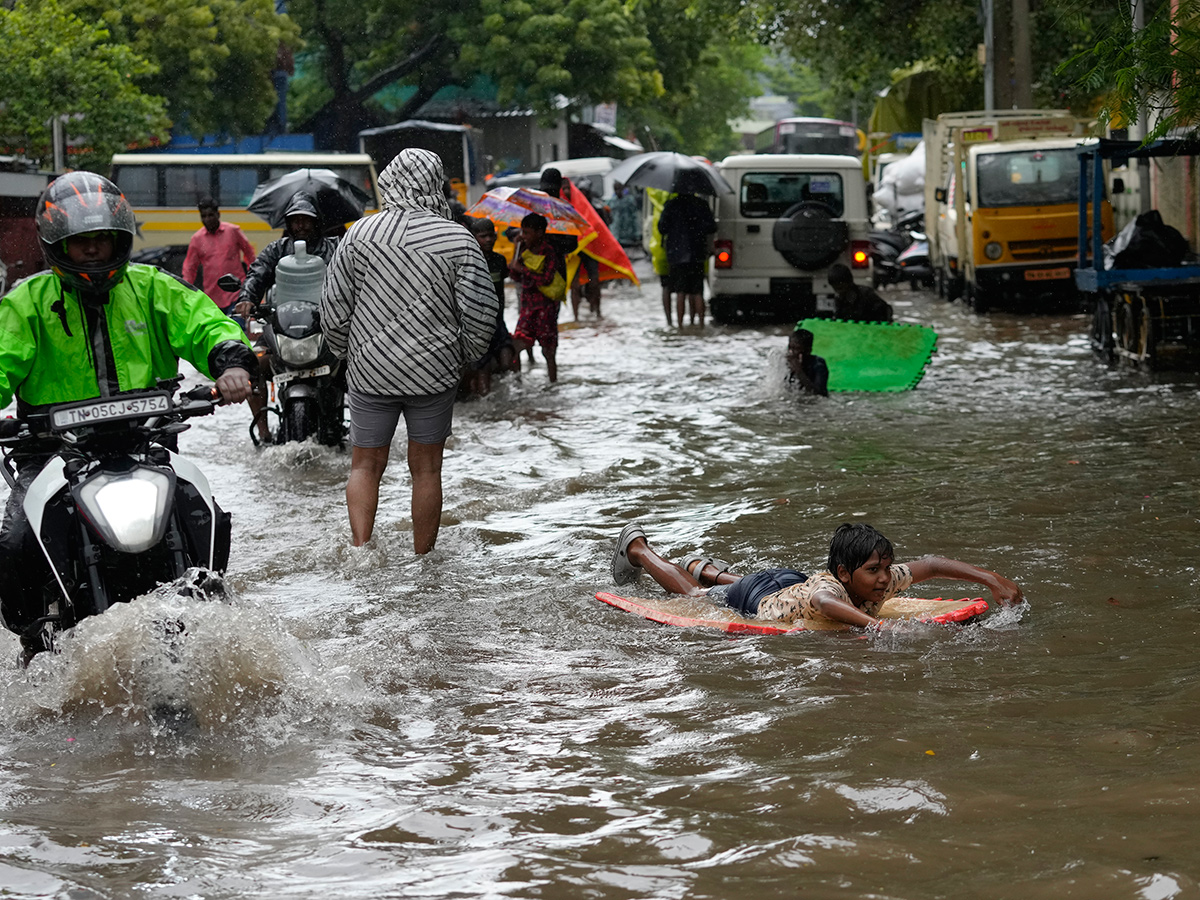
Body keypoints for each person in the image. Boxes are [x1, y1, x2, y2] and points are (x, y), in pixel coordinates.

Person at [0, 172, 257, 662]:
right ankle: (36, 639)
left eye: (101, 240)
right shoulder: (25, 304)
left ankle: (209, 603)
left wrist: (231, 361)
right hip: (51, 452)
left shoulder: (154, 288)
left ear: (119, 238)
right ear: (58, 246)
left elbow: (206, 324)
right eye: (80, 243)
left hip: (145, 442)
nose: (93, 251)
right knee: (14, 543)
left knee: (203, 509)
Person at [319, 148, 498, 553]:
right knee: (427, 469)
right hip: (433, 374)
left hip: (370, 371)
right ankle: (422, 558)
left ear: (390, 182)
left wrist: (349, 352)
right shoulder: (457, 239)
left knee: (365, 465)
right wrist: (463, 357)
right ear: (435, 182)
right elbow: (481, 311)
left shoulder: (360, 235)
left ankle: (361, 550)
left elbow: (333, 308)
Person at [609, 522, 1024, 629]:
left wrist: (992, 580)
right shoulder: (830, 588)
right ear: (845, 572)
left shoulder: (879, 577)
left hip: (790, 582)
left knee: (743, 580)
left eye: (884, 570)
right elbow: (826, 603)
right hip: (760, 598)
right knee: (694, 599)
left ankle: (708, 569)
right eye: (873, 571)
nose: (883, 580)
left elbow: (932, 563)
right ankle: (639, 548)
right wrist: (876, 628)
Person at [233, 191, 340, 443]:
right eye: (295, 220)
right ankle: (263, 431)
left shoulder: (335, 248)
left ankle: (362, 433)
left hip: (326, 328)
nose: (300, 225)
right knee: (251, 364)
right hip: (282, 329)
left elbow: (351, 278)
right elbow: (257, 274)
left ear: (317, 222)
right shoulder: (276, 250)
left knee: (357, 365)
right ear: (288, 223)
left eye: (306, 219)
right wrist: (247, 298)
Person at [461, 216, 516, 397]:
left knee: (508, 360)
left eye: (491, 236)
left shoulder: (499, 261)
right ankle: (485, 404)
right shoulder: (470, 263)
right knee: (482, 368)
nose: (488, 240)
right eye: (483, 236)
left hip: (498, 322)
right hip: (478, 324)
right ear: (474, 237)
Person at [508, 212, 565, 384]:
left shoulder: (548, 251)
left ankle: (552, 384)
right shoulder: (523, 250)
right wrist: (515, 252)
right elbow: (514, 275)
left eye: (527, 233)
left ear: (540, 233)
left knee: (548, 350)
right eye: (522, 232)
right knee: (517, 346)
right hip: (527, 307)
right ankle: (518, 384)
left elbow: (544, 280)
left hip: (545, 308)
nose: (523, 236)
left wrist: (521, 269)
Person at [657, 170, 717, 327]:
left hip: (676, 255)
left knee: (680, 291)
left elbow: (662, 228)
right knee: (697, 291)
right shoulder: (702, 205)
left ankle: (680, 327)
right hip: (697, 253)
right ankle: (700, 325)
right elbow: (712, 227)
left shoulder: (671, 205)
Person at [181, 196, 257, 317]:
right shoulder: (197, 239)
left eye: (210, 215)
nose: (207, 219)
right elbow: (190, 268)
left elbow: (250, 254)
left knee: (237, 329)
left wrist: (253, 279)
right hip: (212, 298)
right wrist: (185, 291)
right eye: (203, 216)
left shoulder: (233, 231)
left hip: (236, 294)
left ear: (218, 214)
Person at [828, 263, 893, 322]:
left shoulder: (866, 294)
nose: (839, 291)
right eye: (835, 289)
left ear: (849, 282)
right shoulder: (840, 299)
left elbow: (886, 310)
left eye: (841, 288)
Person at [785, 327, 829, 396]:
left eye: (797, 348)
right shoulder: (786, 362)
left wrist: (799, 371)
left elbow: (820, 395)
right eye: (790, 347)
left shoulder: (818, 365)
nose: (791, 352)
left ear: (808, 350)